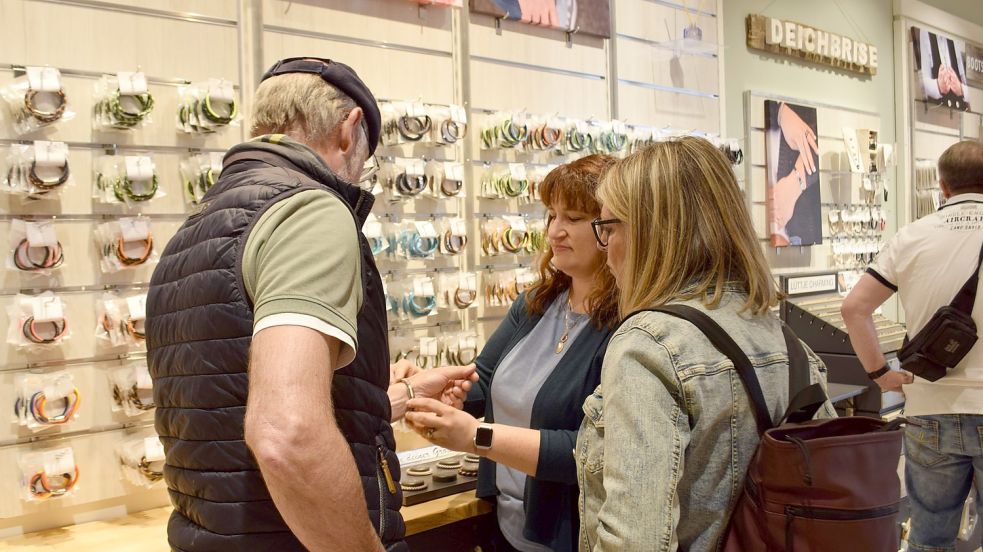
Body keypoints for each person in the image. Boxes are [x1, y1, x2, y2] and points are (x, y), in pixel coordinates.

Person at [146, 57, 475, 552]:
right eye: (368, 158)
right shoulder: (309, 211)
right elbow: (286, 433)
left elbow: (232, 411)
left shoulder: (195, 231)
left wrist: (398, 395)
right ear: (350, 128)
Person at [578, 137, 835, 551]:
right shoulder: (780, 336)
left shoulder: (648, 345)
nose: (605, 251)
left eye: (607, 227)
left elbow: (634, 540)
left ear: (649, 233)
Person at [404, 155, 620, 551]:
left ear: (610, 227)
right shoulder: (537, 303)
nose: (555, 231)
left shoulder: (626, 327)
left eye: (572, 218)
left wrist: (476, 436)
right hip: (504, 525)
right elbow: (483, 380)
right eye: (551, 215)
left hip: (567, 536)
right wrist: (446, 394)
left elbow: (592, 452)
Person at [842, 140, 983, 552]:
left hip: (929, 408)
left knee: (928, 538)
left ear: (941, 186)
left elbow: (854, 308)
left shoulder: (912, 237)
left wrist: (880, 375)